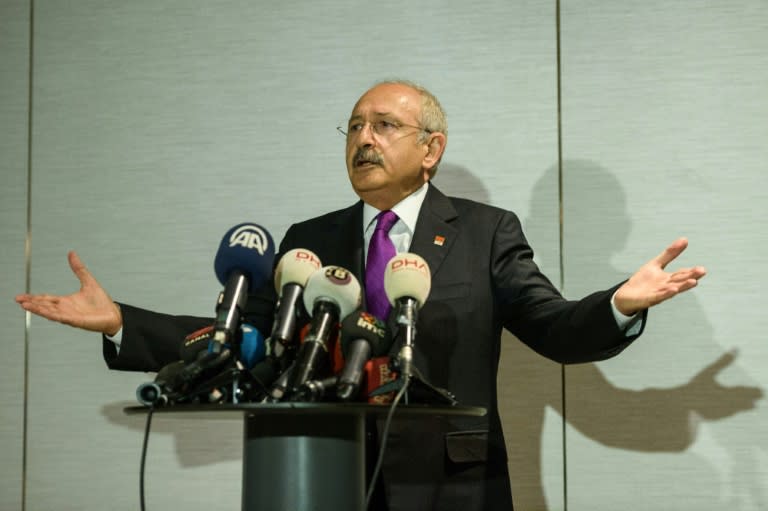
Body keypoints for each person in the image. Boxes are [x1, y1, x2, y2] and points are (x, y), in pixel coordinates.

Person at [15, 80, 706, 511]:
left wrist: (621, 302)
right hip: (324, 473)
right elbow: (247, 341)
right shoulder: (308, 238)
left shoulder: (485, 232)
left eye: (383, 125)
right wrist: (120, 322)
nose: (363, 139)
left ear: (431, 148)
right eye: (353, 126)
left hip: (451, 486)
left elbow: (554, 326)